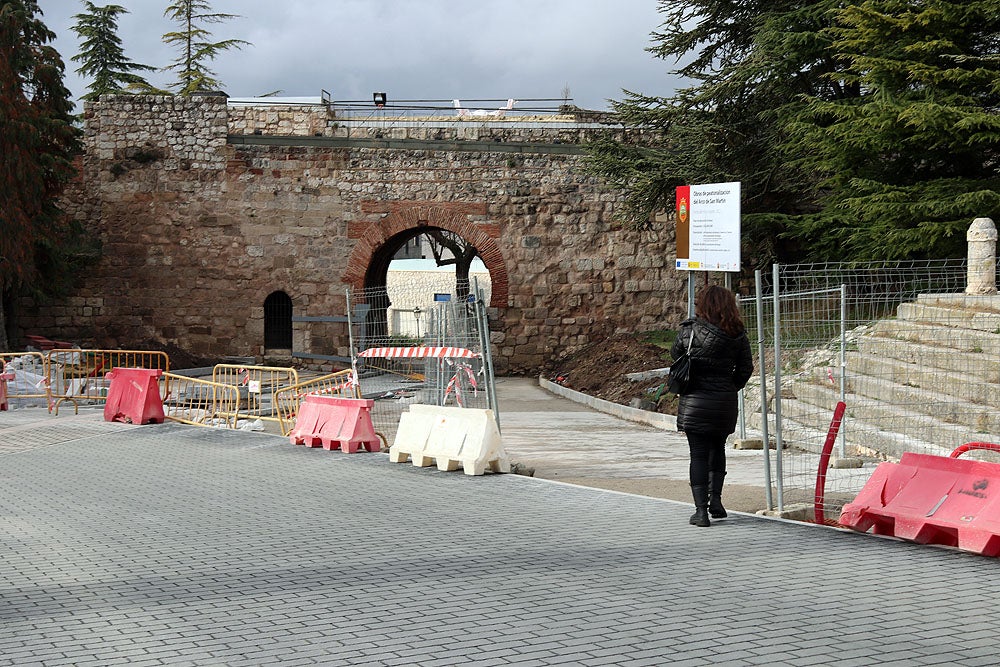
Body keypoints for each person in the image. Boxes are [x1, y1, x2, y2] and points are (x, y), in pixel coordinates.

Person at [671, 284, 754, 527]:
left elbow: (675, 354)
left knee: (697, 454)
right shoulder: (737, 334)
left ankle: (701, 512)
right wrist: (729, 387)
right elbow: (746, 369)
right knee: (718, 449)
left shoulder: (690, 331)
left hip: (695, 400)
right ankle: (716, 501)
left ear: (703, 305)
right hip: (723, 401)